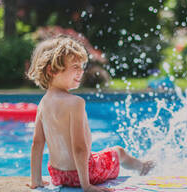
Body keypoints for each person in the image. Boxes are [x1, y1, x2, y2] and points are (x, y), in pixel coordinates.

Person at [26, 36, 154, 192]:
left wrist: (36, 181)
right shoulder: (75, 102)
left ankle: (141, 166)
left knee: (95, 154)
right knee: (118, 152)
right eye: (75, 66)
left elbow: (37, 144)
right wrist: (86, 186)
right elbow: (79, 147)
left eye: (82, 66)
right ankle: (142, 167)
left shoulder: (43, 103)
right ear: (52, 70)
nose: (81, 71)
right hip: (86, 174)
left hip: (57, 175)